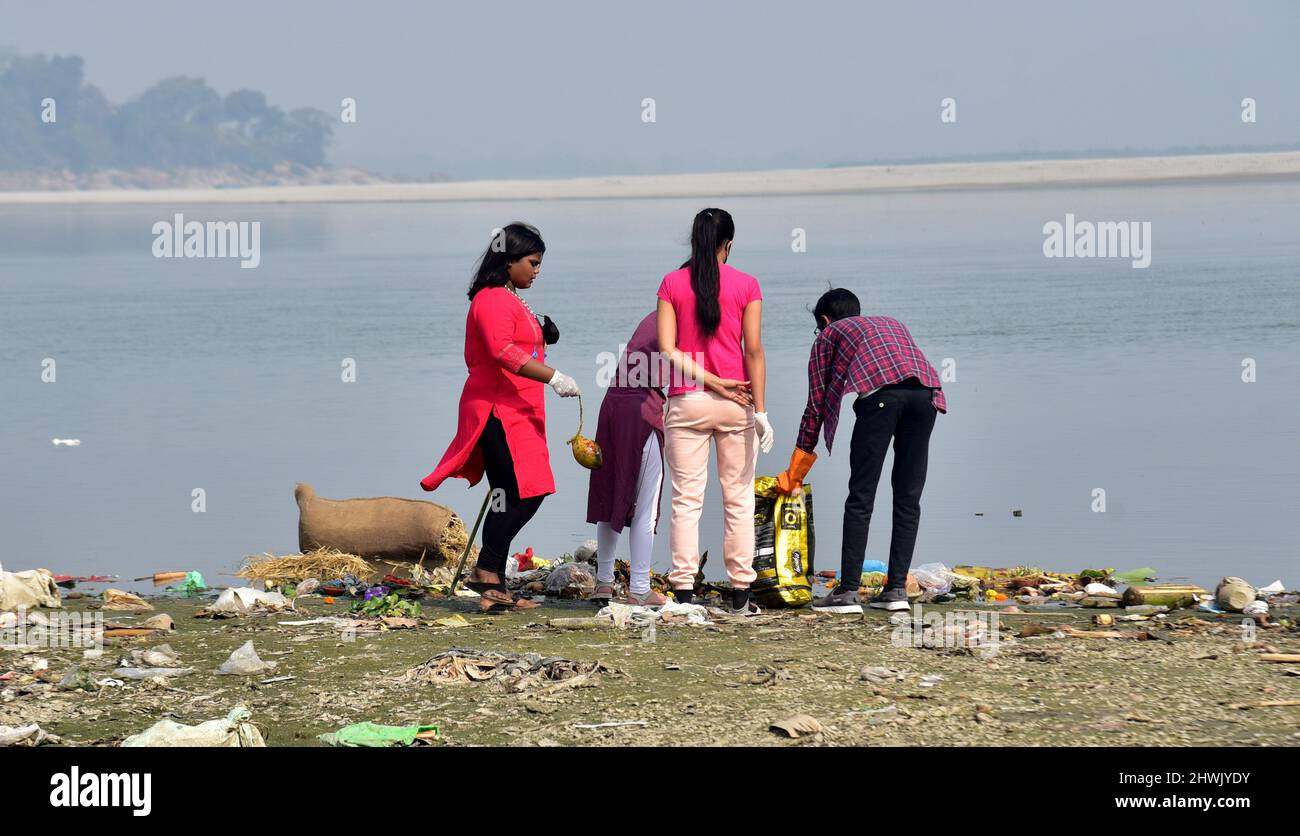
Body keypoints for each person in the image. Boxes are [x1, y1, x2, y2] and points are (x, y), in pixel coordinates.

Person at [420, 223, 581, 611]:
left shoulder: (509, 296)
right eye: (532, 262)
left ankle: (495, 587)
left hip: (519, 408)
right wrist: (553, 376)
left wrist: (543, 334)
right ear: (508, 261)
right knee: (525, 491)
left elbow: (517, 341)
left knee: (507, 494)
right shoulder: (491, 298)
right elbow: (501, 351)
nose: (537, 270)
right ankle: (486, 571)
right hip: (497, 408)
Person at [776, 288, 946, 614]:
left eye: (819, 327)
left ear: (824, 320)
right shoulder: (890, 323)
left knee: (861, 496)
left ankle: (848, 592)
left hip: (882, 400)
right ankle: (896, 590)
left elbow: (816, 405)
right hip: (926, 396)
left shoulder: (830, 335)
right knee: (908, 497)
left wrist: (796, 472)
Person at [657, 208, 773, 616]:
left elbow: (668, 349)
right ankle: (741, 595)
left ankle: (685, 594)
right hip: (738, 402)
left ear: (694, 241)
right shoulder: (747, 284)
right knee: (738, 499)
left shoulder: (672, 282)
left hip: (686, 402)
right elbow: (753, 351)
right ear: (729, 244)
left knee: (685, 500)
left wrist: (706, 379)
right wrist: (761, 411)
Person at [586, 311, 668, 606]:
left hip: (612, 404)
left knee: (611, 494)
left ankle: (604, 582)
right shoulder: (684, 317)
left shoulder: (655, 315)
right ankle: (640, 587)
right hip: (641, 408)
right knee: (646, 503)